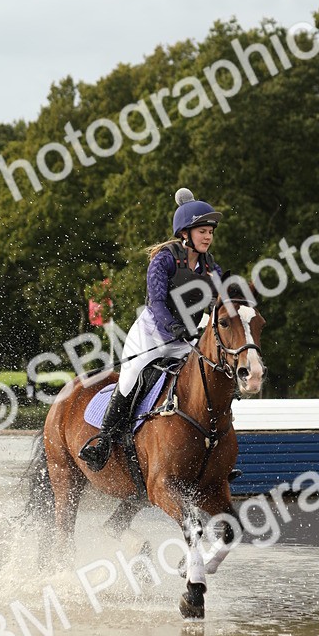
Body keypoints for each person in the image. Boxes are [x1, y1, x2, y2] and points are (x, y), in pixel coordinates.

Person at [79, 187, 223, 471]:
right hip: (151, 335)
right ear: (186, 233)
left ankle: (216, 453)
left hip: (187, 339)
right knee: (131, 377)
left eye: (210, 232)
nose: (208, 237)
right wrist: (172, 325)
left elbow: (219, 301)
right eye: (202, 231)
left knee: (206, 382)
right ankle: (104, 442)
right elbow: (156, 302)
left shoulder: (210, 266)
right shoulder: (165, 259)